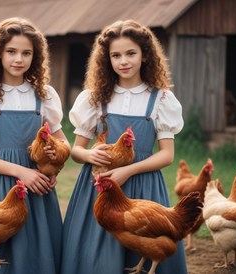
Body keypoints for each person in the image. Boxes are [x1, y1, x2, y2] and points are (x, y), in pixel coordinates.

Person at [61, 19, 186, 274]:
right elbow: (75, 151)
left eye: (131, 53)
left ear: (145, 55)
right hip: (100, 188)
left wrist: (128, 170)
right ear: (107, 59)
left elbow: (167, 155)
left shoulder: (160, 99)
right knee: (97, 256)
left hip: (144, 185)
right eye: (115, 55)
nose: (123, 61)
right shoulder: (94, 98)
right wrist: (88, 154)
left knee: (146, 247)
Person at [0, 17, 69, 274]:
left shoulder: (44, 95)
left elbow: (63, 142)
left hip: (37, 188)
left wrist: (54, 164)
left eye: (26, 53)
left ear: (35, 56)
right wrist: (21, 172)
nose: (19, 59)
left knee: (33, 253)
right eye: (11, 51)